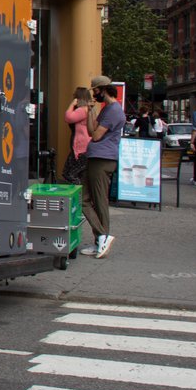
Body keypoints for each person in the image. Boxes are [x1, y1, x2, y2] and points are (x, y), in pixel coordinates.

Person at [80, 75, 124, 259]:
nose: (94, 94)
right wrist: (90, 111)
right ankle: (100, 240)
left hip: (101, 159)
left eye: (96, 90)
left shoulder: (113, 110)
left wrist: (92, 114)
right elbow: (91, 131)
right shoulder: (108, 109)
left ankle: (102, 236)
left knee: (93, 200)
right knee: (92, 200)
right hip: (99, 157)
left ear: (103, 89)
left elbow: (96, 136)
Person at [61, 87, 92, 185]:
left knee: (70, 174)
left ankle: (78, 194)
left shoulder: (83, 110)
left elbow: (68, 117)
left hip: (81, 149)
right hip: (84, 148)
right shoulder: (89, 109)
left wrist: (72, 104)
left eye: (75, 96)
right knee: (73, 173)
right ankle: (80, 194)